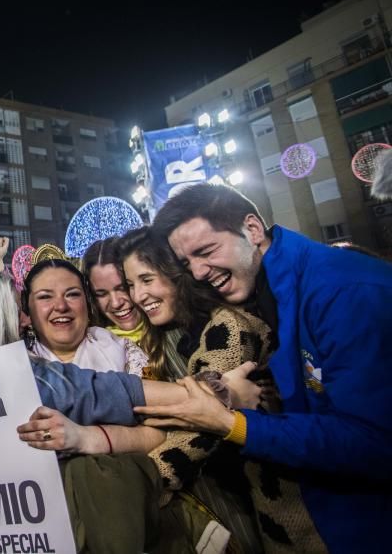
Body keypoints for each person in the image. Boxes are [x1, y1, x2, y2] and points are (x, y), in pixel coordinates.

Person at [0, 269, 259, 554]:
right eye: (16, 310)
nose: (23, 320)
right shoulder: (28, 377)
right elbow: (119, 392)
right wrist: (220, 391)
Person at [139, 183, 392, 552]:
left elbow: (375, 443)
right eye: (186, 263)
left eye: (206, 251)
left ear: (252, 229)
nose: (197, 272)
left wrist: (231, 424)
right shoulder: (266, 290)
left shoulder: (342, 290)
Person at [122, 226, 322, 552]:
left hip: (299, 506)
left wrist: (143, 486)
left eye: (147, 279)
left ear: (177, 274)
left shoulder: (227, 326)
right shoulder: (173, 335)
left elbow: (200, 420)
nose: (136, 296)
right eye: (131, 284)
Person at [22, 258, 148, 376]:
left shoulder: (123, 353)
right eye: (45, 297)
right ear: (26, 306)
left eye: (72, 294)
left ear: (87, 301)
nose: (61, 306)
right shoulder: (18, 363)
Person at [82, 238, 146, 342]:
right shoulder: (91, 348)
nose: (116, 303)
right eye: (101, 294)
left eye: (122, 288)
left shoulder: (174, 334)